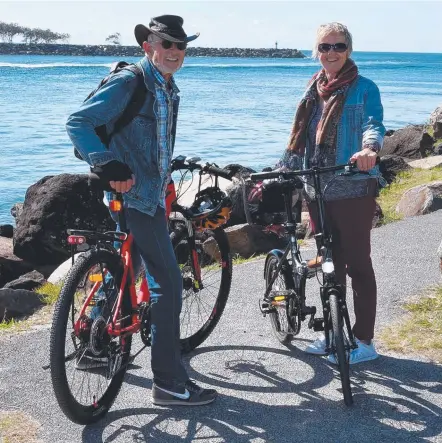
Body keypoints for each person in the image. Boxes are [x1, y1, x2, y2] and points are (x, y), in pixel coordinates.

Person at [66, 15, 217, 406]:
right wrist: (105, 162)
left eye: (180, 46)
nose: (174, 52)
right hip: (134, 196)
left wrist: (166, 166)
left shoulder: (167, 86)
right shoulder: (131, 81)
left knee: (127, 265)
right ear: (148, 46)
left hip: (144, 190)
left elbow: (151, 139)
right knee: (167, 283)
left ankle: (95, 345)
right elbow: (78, 122)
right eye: (166, 44)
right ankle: (168, 382)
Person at [275, 22, 385, 364]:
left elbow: (374, 123)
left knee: (358, 265)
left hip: (353, 187)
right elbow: (301, 137)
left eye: (338, 46)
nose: (331, 53)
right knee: (328, 265)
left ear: (348, 49)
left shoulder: (364, 88)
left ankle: (364, 341)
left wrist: (369, 150)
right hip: (316, 186)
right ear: (316, 52)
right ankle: (333, 332)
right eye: (325, 47)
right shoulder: (312, 89)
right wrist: (284, 169)